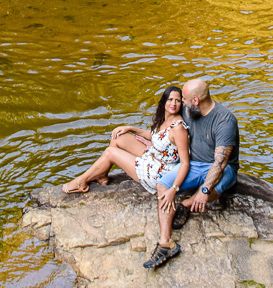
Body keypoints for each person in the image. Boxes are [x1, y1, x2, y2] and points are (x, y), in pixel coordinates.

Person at [61, 87, 191, 268]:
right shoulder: (165, 119)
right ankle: (102, 176)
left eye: (177, 101)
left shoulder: (178, 128)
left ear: (181, 104)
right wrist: (130, 128)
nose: (173, 104)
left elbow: (185, 163)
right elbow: (153, 136)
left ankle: (81, 182)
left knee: (110, 152)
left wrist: (174, 188)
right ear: (164, 101)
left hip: (157, 171)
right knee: (119, 136)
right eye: (170, 100)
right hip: (153, 156)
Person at [147, 78, 239, 268]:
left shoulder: (224, 120)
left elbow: (220, 162)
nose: (182, 103)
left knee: (218, 186)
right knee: (162, 184)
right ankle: (166, 243)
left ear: (196, 100)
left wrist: (203, 191)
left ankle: (187, 204)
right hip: (194, 165)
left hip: (221, 166)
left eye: (185, 99)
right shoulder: (190, 111)